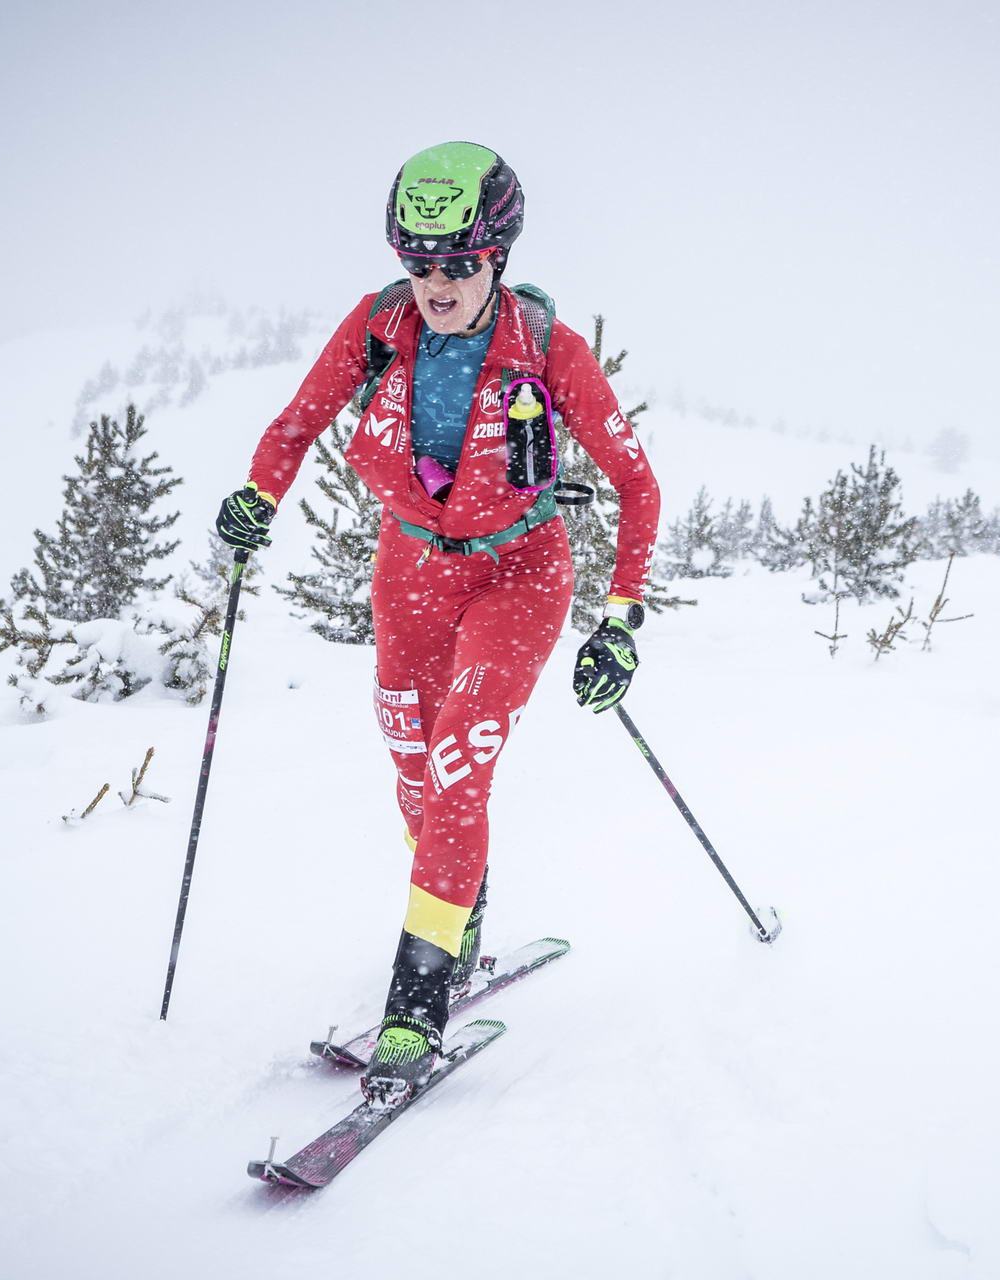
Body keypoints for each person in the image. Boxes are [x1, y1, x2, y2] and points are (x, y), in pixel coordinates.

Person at [214, 141, 661, 1102]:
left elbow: (636, 482)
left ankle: (415, 1002)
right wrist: (258, 493)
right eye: (418, 263)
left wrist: (618, 621)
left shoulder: (549, 348)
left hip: (520, 570)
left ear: (496, 255)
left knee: (460, 758)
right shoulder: (379, 324)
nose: (436, 284)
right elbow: (299, 420)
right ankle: (459, 906)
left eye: (457, 264)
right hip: (409, 563)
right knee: (414, 763)